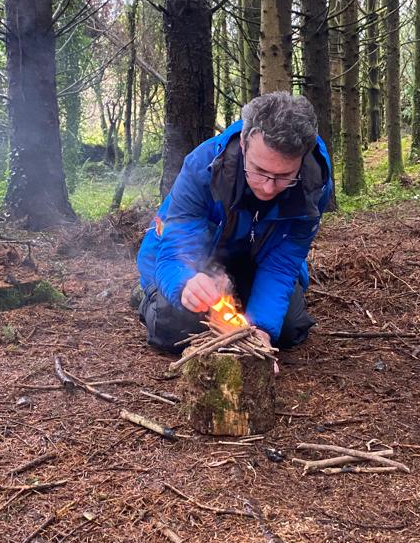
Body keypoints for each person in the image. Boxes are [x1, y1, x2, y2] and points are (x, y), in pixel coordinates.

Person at [135, 92, 332, 355]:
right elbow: (175, 250)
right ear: (243, 143)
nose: (269, 187)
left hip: (256, 260)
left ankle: (243, 299)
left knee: (286, 330)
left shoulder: (313, 186)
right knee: (175, 325)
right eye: (259, 171)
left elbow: (283, 263)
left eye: (284, 176)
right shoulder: (202, 167)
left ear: (303, 158)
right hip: (194, 261)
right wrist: (186, 283)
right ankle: (146, 294)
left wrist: (262, 330)